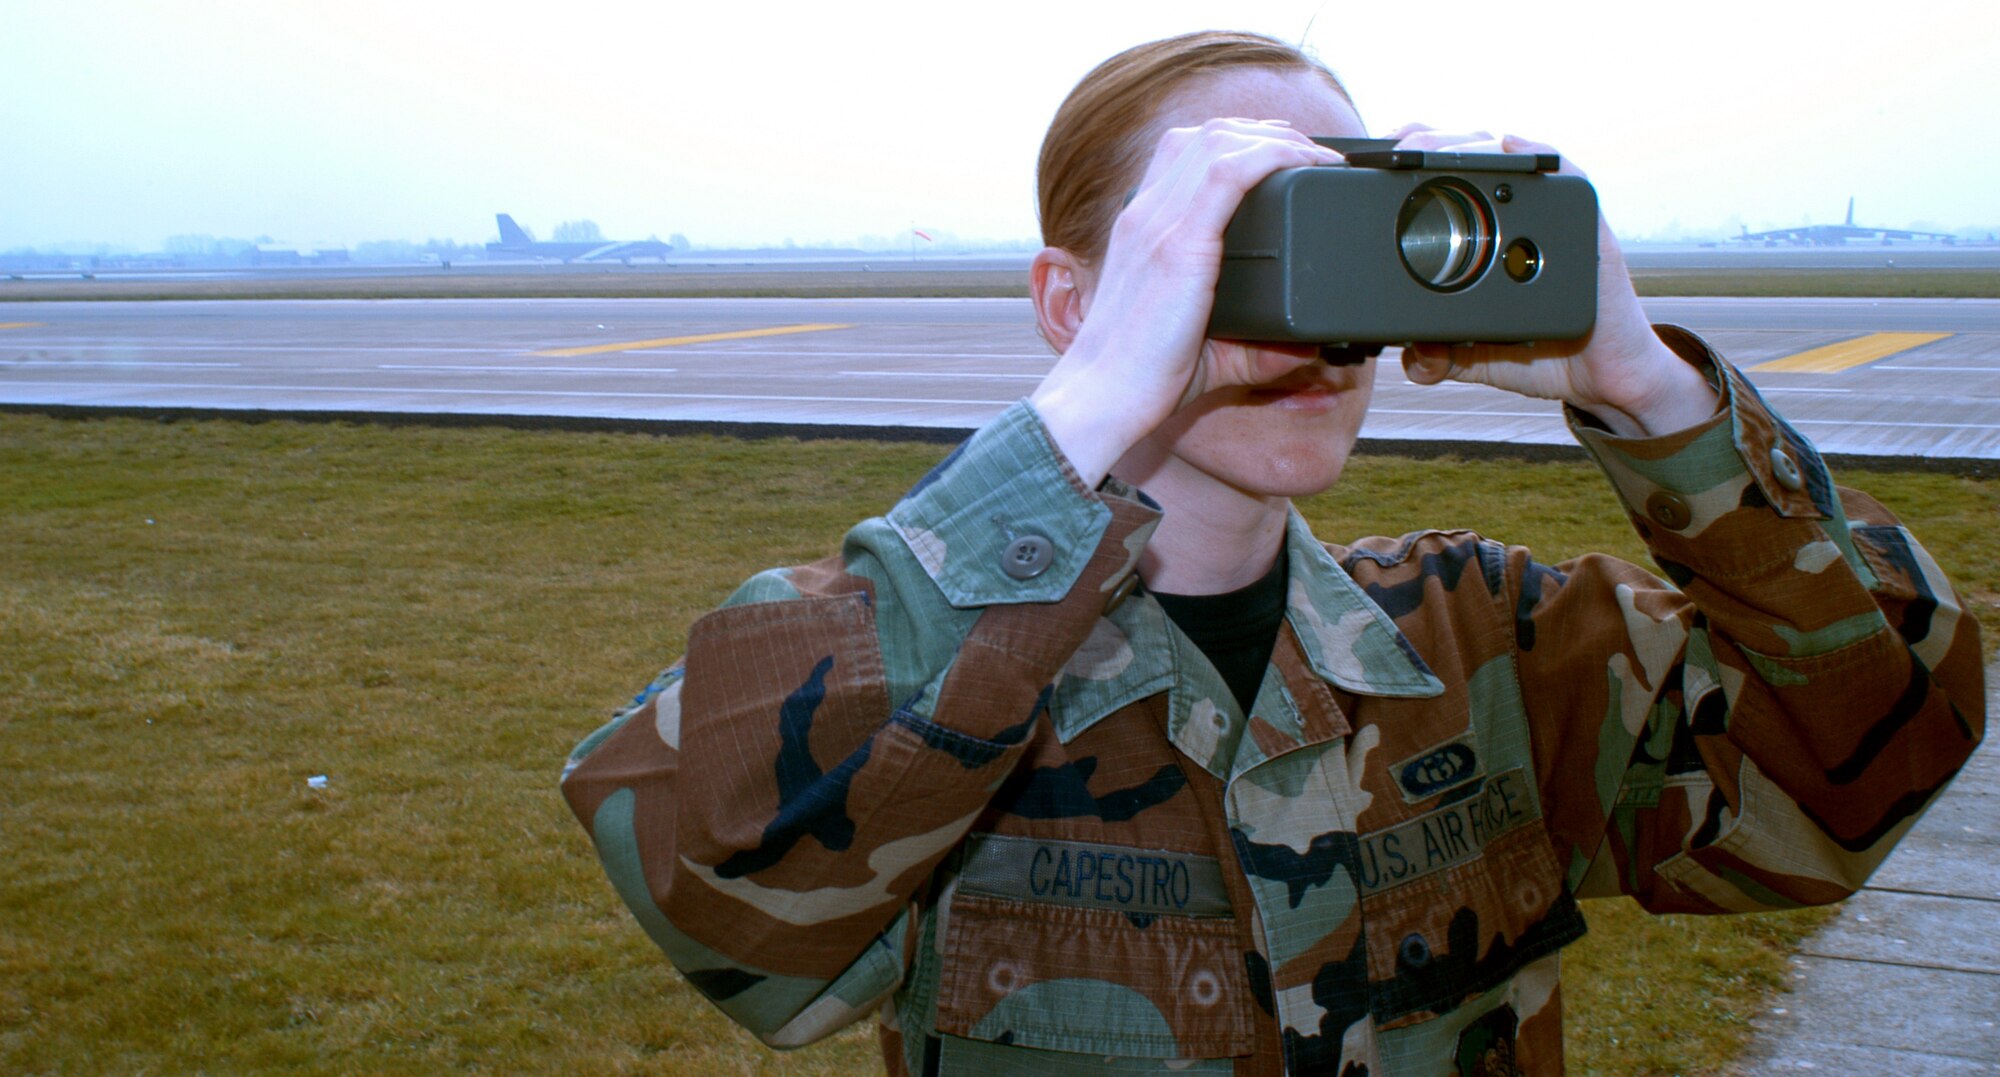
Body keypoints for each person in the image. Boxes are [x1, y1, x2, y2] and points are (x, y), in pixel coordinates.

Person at [560, 30, 1985, 1076]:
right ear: (1071, 300)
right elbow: (729, 914)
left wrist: (1651, 392)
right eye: (1236, 234)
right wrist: (1089, 416)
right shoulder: (921, 669)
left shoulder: (1482, 640)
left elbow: (1865, 760)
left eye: (1347, 227)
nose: (1307, 316)